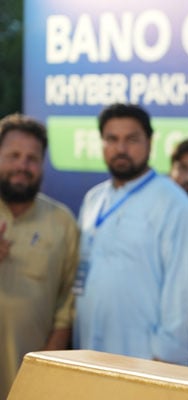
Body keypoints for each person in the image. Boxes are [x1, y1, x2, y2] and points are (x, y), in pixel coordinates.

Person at [73, 103, 188, 365]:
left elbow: (182, 290)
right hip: (88, 352)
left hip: (144, 360)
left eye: (131, 139)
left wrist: (163, 359)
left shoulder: (174, 204)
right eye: (112, 139)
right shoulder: (94, 199)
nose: (121, 149)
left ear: (150, 142)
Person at [0, 114, 79, 398]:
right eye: (14, 155)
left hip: (28, 380)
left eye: (32, 158)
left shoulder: (62, 222)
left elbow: (67, 305)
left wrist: (44, 370)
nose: (23, 165)